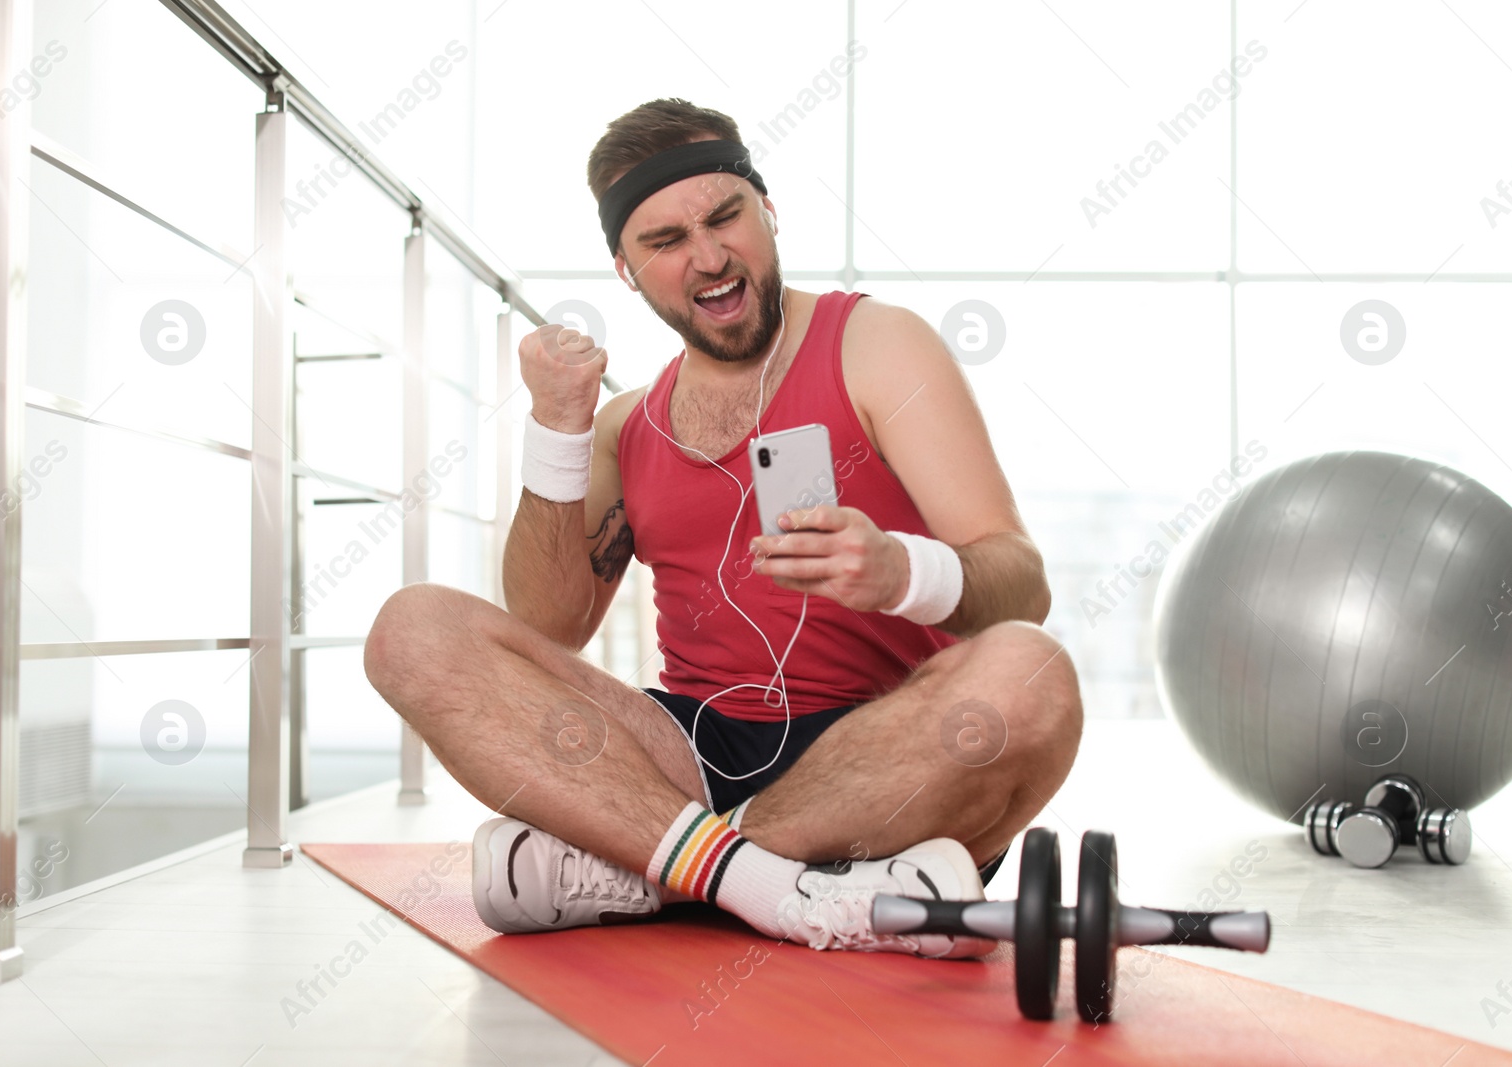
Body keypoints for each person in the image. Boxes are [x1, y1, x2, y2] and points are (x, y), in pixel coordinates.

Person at [363, 98, 1082, 958]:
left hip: (883, 754)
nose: (708, 257)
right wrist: (556, 424)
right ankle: (783, 885)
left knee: (1030, 676)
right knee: (411, 631)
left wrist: (902, 572)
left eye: (725, 216)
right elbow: (545, 630)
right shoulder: (621, 428)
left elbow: (1022, 585)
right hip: (686, 751)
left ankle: (663, 866)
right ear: (627, 272)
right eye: (665, 242)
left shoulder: (880, 345)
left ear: (768, 211)